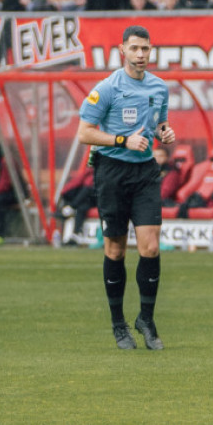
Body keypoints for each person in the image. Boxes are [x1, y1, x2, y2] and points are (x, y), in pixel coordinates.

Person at [76, 26, 176, 351]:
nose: (141, 55)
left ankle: (146, 319)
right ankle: (118, 324)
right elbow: (84, 133)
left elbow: (158, 123)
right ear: (122, 50)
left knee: (150, 247)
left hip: (145, 171)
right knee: (115, 250)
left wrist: (164, 132)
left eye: (146, 49)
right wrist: (122, 140)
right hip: (112, 172)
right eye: (135, 49)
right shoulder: (106, 89)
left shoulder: (160, 87)